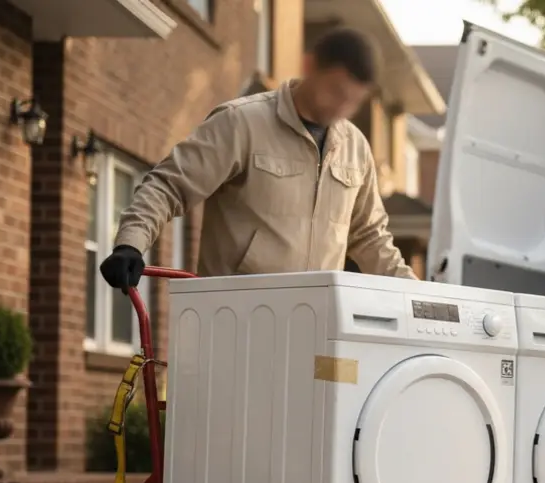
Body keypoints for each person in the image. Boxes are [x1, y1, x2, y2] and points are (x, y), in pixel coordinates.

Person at [99, 28, 418, 292]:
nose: (342, 107)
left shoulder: (356, 148)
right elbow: (168, 185)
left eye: (354, 100)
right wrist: (131, 243)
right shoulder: (242, 123)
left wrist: (420, 296)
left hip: (316, 322)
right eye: (336, 90)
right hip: (237, 315)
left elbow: (370, 238)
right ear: (309, 67)